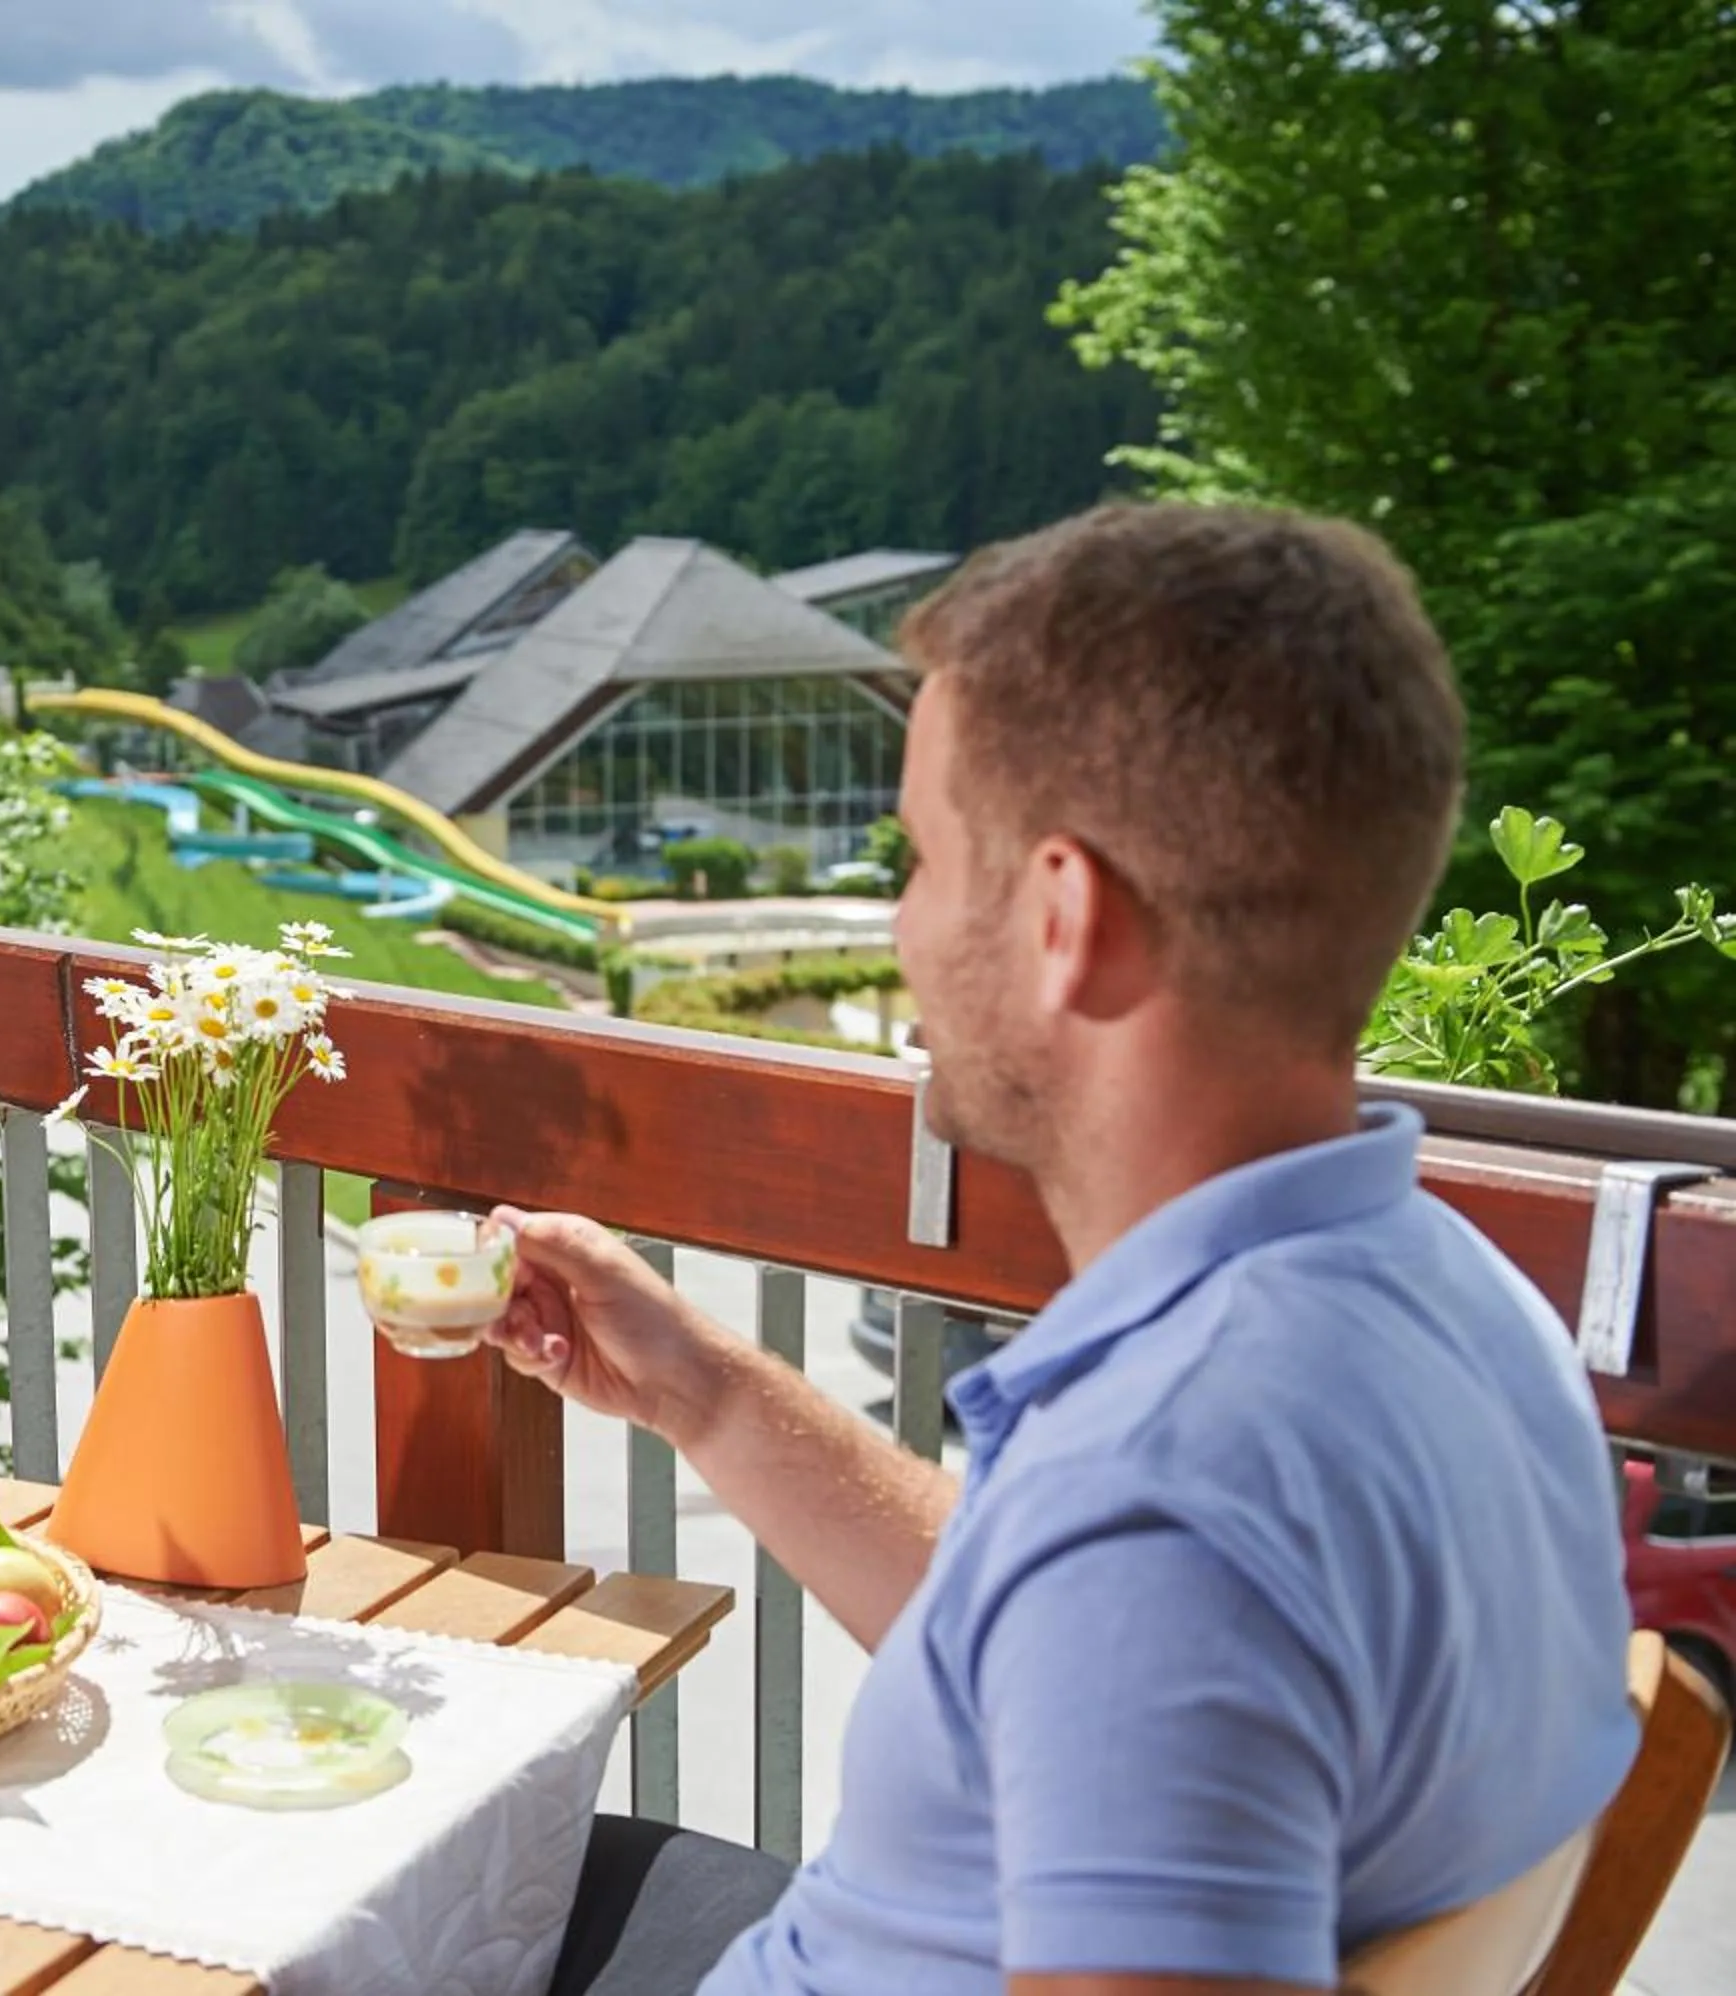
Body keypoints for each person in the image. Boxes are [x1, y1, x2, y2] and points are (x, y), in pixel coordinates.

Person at [494, 504, 1638, 1995]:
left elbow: (1139, 1590)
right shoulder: (1457, 1295)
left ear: (1062, 914)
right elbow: (1047, 1631)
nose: (901, 927)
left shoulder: (1165, 1507)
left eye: (922, 859)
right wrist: (702, 1393)